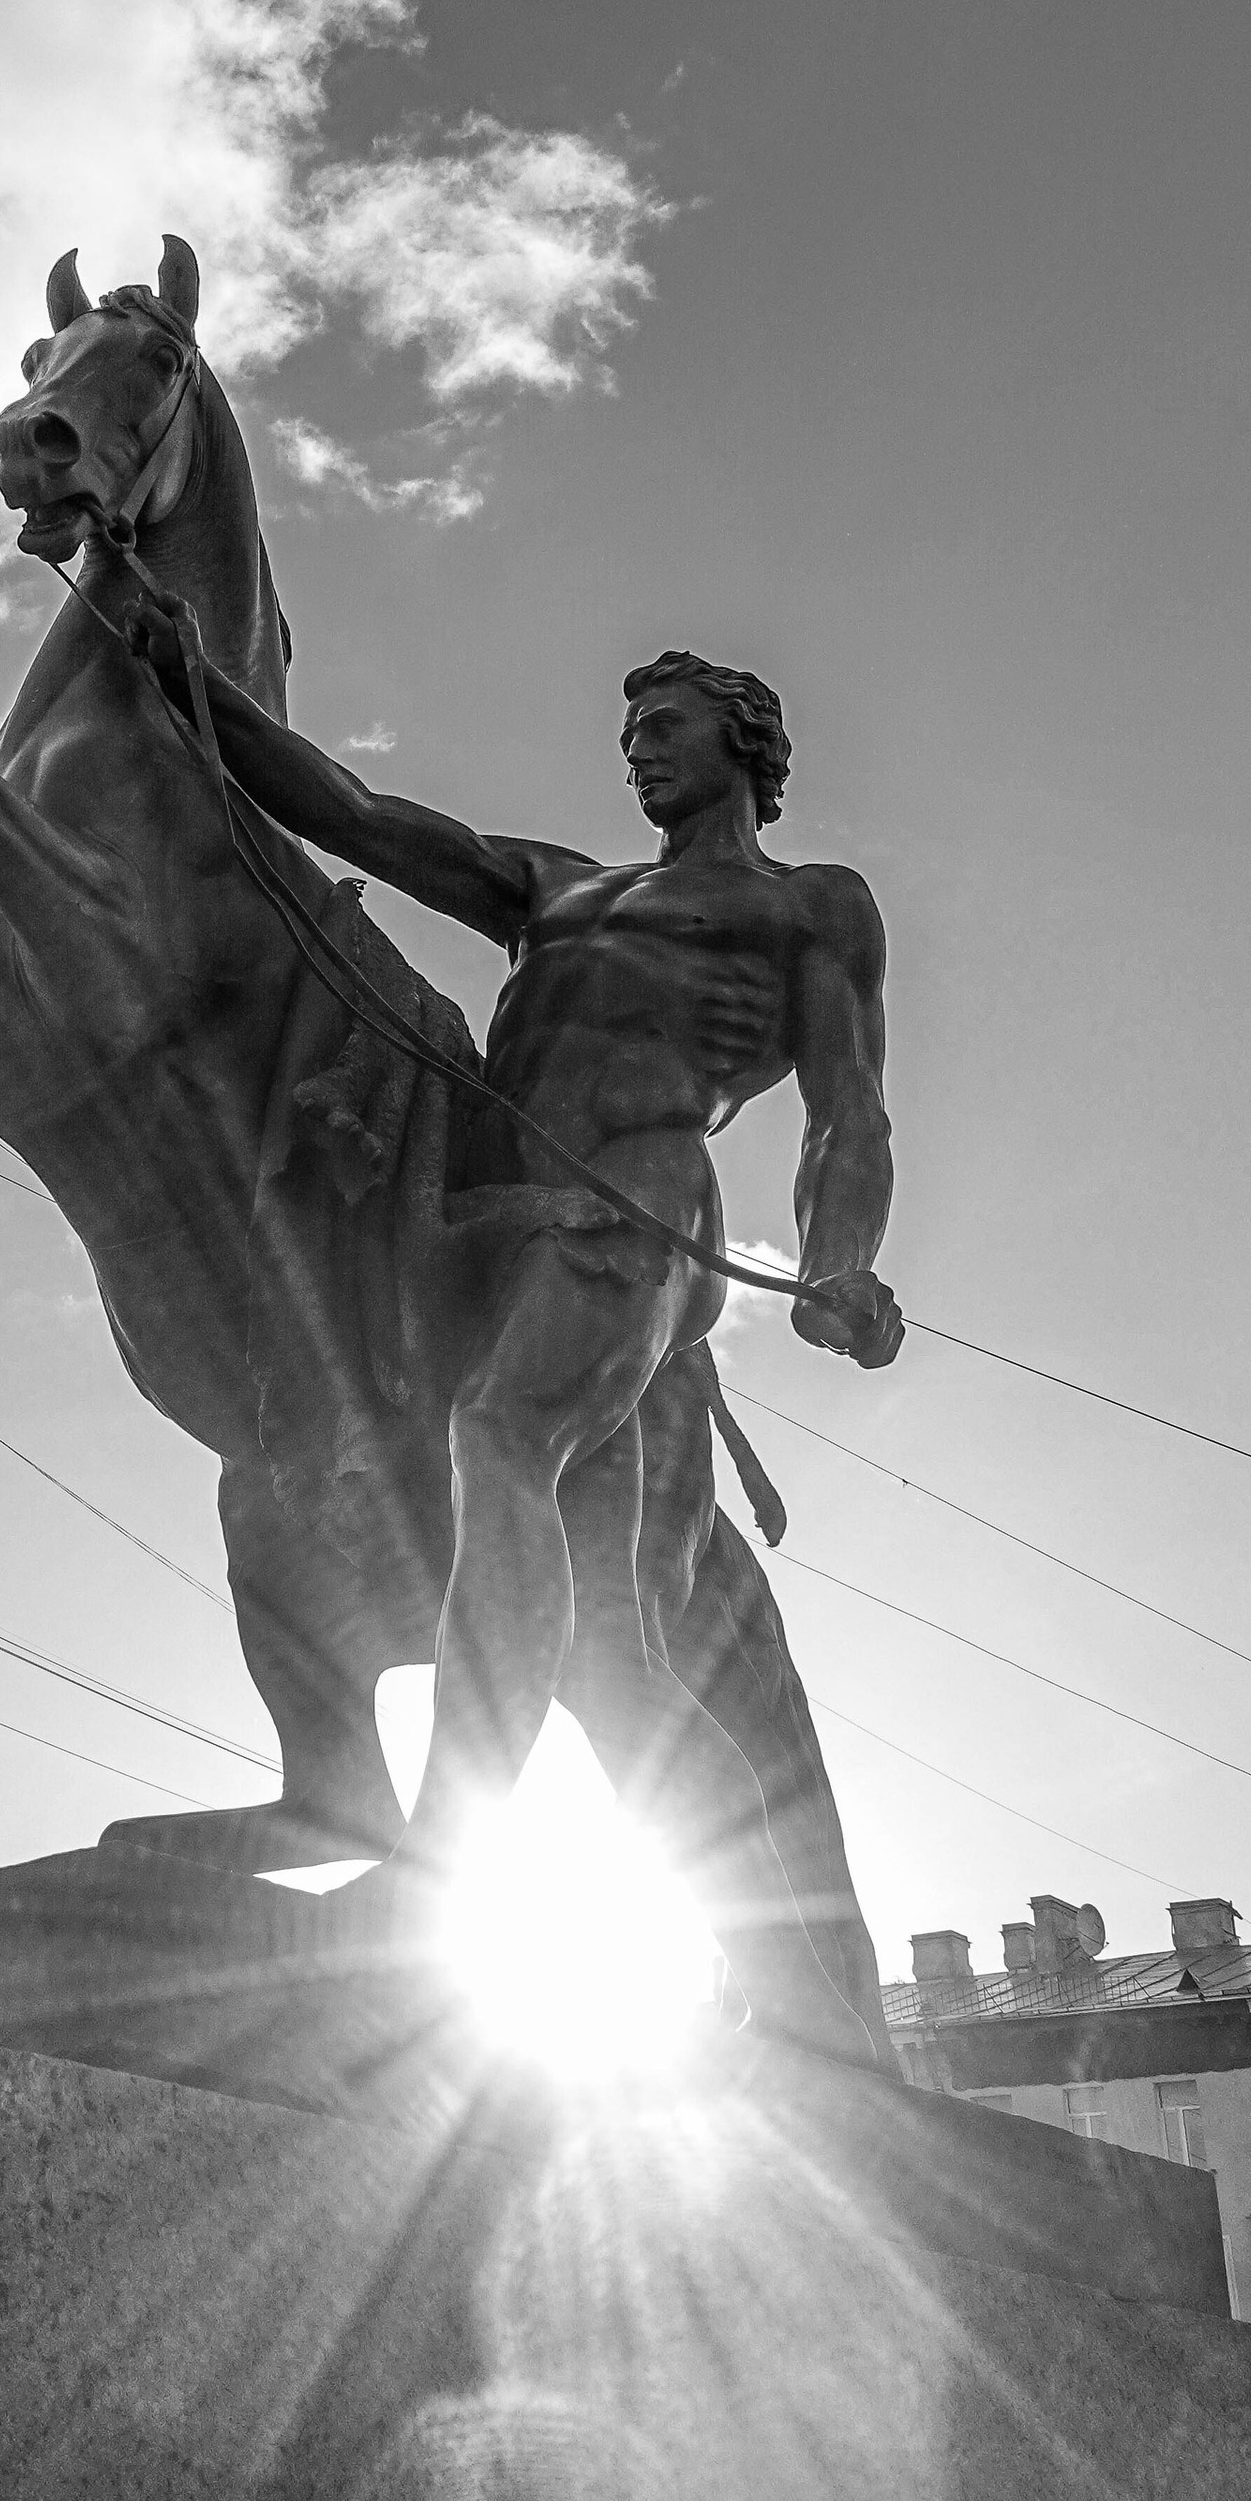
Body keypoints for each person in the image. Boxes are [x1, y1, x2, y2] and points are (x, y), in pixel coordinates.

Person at [132, 614, 900, 1898]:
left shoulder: (805, 903)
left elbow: (849, 1112)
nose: (638, 756)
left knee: (499, 1436)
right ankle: (329, 1787)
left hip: (639, 1198)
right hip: (480, 1201)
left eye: (663, 731)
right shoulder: (553, 885)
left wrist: (838, 1261)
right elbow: (357, 812)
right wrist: (183, 677)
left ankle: (448, 1852)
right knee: (275, 1467)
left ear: (745, 743)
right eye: (626, 738)